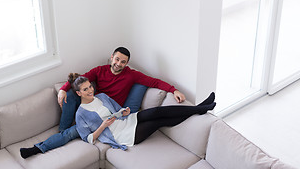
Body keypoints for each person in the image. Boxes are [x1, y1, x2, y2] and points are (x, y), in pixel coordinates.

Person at [20, 47, 187, 158]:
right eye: (117, 59)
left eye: (123, 62)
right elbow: (80, 80)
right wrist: (63, 88)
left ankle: (39, 147)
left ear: (126, 63)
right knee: (70, 105)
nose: (119, 64)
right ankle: (52, 137)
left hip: (109, 111)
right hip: (93, 109)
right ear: (111, 58)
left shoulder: (132, 75)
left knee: (72, 133)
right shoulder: (99, 70)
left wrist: (174, 90)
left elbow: (154, 82)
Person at [73, 74, 216, 149]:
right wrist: (103, 126)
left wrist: (124, 111)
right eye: (85, 89)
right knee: (158, 122)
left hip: (127, 120)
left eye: (90, 87)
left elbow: (118, 110)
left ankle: (200, 108)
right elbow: (89, 139)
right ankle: (200, 109)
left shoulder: (101, 97)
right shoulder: (80, 114)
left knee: (156, 112)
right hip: (123, 135)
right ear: (79, 93)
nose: (90, 90)